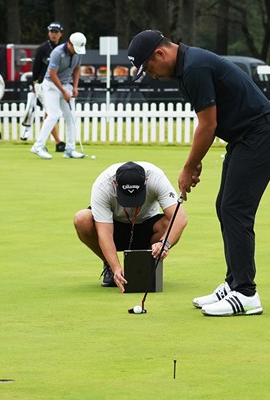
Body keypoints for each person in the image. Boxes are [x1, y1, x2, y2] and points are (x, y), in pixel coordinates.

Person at [128, 30, 270, 316]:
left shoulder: (195, 68)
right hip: (244, 137)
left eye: (149, 68)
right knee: (224, 206)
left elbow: (208, 124)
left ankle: (246, 293)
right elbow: (212, 122)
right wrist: (197, 159)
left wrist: (189, 166)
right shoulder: (188, 67)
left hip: (261, 134)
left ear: (160, 54)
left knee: (235, 209)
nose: (151, 75)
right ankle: (234, 282)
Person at [73, 161, 188, 292]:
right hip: (115, 227)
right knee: (82, 218)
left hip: (146, 226)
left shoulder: (156, 177)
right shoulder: (102, 185)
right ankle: (110, 267)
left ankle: (147, 264)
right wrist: (115, 267)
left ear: (146, 180)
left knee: (169, 224)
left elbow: (180, 218)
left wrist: (164, 243)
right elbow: (105, 233)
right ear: (115, 183)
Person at [30, 32, 87, 160]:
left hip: (66, 85)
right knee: (54, 114)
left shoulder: (78, 52)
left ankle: (70, 150)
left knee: (71, 117)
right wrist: (64, 91)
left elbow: (77, 69)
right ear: (69, 44)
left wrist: (75, 87)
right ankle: (38, 146)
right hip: (51, 85)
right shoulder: (57, 52)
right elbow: (52, 74)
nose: (76, 51)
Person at [21, 22, 66, 152]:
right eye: (51, 32)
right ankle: (56, 142)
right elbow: (35, 69)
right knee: (51, 113)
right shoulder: (42, 49)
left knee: (50, 114)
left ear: (61, 34)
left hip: (58, 84)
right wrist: (35, 83)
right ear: (48, 33)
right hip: (43, 84)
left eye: (56, 32)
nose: (53, 34)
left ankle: (47, 143)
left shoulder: (63, 49)